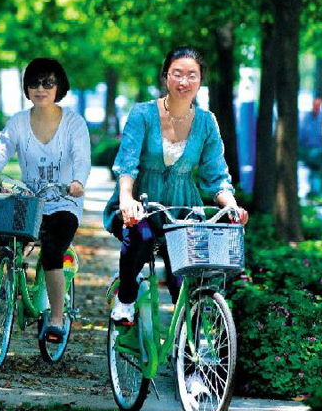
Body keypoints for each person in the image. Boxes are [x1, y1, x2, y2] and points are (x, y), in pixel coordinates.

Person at [103, 46, 249, 323]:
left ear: (200, 80)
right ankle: (126, 296)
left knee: (183, 280)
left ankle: (189, 349)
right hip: (142, 204)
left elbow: (216, 174)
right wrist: (126, 199)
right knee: (142, 238)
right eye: (177, 74)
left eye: (192, 75)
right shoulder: (142, 114)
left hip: (183, 209)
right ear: (166, 77)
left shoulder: (207, 123)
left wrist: (232, 207)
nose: (184, 82)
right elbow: (127, 162)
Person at [0, 58, 91, 343]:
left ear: (59, 87)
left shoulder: (74, 123)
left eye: (48, 82)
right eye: (34, 83)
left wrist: (78, 182)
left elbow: (82, 157)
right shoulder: (18, 122)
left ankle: (56, 319)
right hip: (29, 201)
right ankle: (12, 286)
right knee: (9, 243)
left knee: (52, 250)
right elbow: (1, 152)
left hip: (63, 200)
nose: (40, 88)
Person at [299, 96, 322, 197]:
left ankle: (316, 191)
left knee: (316, 171)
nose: (317, 107)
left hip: (318, 149)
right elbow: (301, 132)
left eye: (319, 105)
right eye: (315, 105)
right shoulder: (306, 117)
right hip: (307, 148)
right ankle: (310, 189)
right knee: (309, 169)